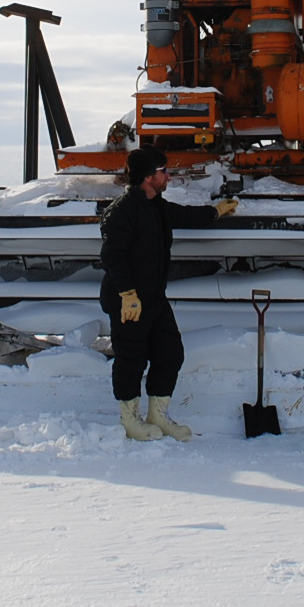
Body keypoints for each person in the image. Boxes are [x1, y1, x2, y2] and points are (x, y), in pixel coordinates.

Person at [99, 145, 239, 441]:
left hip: (153, 298)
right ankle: (130, 420)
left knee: (170, 353)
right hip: (129, 301)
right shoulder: (121, 211)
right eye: (164, 171)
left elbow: (183, 215)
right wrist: (127, 293)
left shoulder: (156, 205)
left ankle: (157, 416)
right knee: (131, 359)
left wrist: (214, 211)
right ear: (149, 177)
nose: (169, 177)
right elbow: (112, 256)